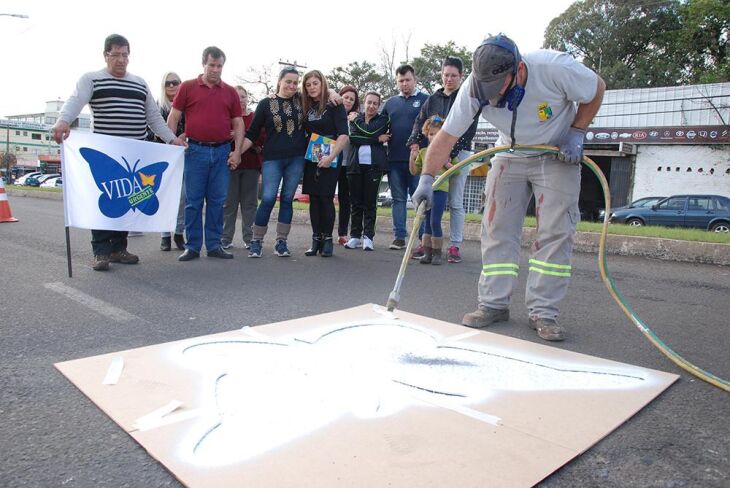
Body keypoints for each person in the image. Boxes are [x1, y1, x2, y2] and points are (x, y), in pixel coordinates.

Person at [412, 34, 605, 342]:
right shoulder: (474, 89)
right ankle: (493, 304)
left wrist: (577, 131)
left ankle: (544, 311)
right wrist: (426, 178)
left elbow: (597, 89)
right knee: (496, 227)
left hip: (556, 151)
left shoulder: (554, 68)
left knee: (555, 231)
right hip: (509, 153)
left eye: (499, 90)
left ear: (520, 71)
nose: (494, 100)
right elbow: (446, 137)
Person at [52, 34, 185, 272]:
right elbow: (75, 101)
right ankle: (101, 251)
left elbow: (154, 118)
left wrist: (172, 139)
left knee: (128, 200)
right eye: (116, 54)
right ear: (106, 55)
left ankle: (118, 248)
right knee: (106, 201)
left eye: (125, 54)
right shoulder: (91, 80)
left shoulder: (140, 83)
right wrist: (63, 122)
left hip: (135, 153)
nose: (121, 60)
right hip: (107, 153)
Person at [167, 46, 244, 262]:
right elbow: (174, 116)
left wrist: (236, 152)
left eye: (219, 66)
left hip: (221, 152)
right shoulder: (188, 87)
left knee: (218, 201)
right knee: (193, 201)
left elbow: (238, 123)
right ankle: (192, 246)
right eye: (212, 65)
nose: (215, 70)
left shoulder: (229, 92)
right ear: (204, 64)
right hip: (195, 151)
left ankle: (214, 245)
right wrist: (170, 142)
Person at [407, 56, 479, 264]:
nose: (449, 79)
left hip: (459, 153)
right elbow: (420, 122)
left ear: (461, 77)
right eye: (446, 75)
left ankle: (455, 245)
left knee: (455, 201)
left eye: (454, 76)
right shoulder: (433, 99)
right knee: (427, 199)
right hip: (435, 152)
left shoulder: (466, 97)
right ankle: (426, 243)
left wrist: (450, 151)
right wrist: (414, 142)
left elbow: (469, 128)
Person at [239, 67, 307, 258]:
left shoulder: (303, 102)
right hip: (272, 159)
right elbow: (252, 133)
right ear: (279, 81)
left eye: (295, 82)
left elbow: (323, 94)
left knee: (287, 199)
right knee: (268, 198)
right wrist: (237, 154)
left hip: (296, 158)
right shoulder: (265, 104)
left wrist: (334, 92)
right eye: (288, 82)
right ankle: (256, 241)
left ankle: (281, 242)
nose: (292, 86)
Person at [300, 71, 349, 257]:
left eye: (315, 83)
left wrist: (330, 158)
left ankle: (327, 239)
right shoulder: (305, 104)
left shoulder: (334, 104)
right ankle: (316, 239)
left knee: (326, 197)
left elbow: (343, 134)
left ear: (322, 84)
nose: (312, 87)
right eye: (308, 84)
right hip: (312, 152)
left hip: (331, 151)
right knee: (314, 198)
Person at [381, 64, 428, 250]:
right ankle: (399, 237)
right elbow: (380, 126)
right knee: (398, 200)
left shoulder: (426, 100)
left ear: (415, 79)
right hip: (394, 159)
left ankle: (424, 238)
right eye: (401, 81)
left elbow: (433, 127)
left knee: (419, 200)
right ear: (396, 82)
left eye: (408, 80)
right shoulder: (390, 103)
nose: (404, 84)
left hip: (419, 160)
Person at [410, 116, 459, 265]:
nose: (433, 137)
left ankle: (437, 252)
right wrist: (412, 158)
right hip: (426, 190)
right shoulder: (424, 152)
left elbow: (457, 171)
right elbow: (414, 171)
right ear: (427, 134)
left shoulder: (448, 151)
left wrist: (446, 163)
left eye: (437, 133)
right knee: (426, 221)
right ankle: (427, 252)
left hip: (440, 190)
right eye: (431, 134)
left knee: (435, 220)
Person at [345, 92, 391, 251]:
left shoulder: (382, 119)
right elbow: (353, 138)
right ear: (364, 103)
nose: (371, 106)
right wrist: (377, 139)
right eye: (369, 102)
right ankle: (355, 236)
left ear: (379, 106)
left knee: (370, 203)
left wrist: (359, 124)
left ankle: (368, 237)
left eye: (375, 104)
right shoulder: (354, 118)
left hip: (374, 167)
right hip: (354, 166)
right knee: (356, 203)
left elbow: (370, 131)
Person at [221, 86, 264, 250]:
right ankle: (226, 238)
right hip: (230, 166)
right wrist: (230, 135)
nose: (241, 100)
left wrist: (242, 135)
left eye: (244, 97)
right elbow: (218, 136)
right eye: (237, 97)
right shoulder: (226, 117)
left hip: (251, 165)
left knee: (250, 204)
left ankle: (249, 238)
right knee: (229, 203)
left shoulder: (254, 117)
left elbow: (261, 137)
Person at [154, 71, 186, 252]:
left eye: (175, 82)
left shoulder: (188, 106)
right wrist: (170, 138)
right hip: (163, 157)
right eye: (168, 83)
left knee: (182, 197)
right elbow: (152, 131)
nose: (172, 86)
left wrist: (185, 134)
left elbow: (196, 125)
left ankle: (179, 233)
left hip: (185, 156)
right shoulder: (158, 107)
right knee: (164, 195)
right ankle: (164, 235)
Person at [336, 85, 360, 245]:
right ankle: (323, 232)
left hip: (347, 163)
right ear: (340, 97)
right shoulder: (331, 113)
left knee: (345, 200)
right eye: (346, 97)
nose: (348, 101)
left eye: (352, 99)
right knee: (325, 197)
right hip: (330, 161)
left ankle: (342, 233)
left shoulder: (356, 118)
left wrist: (355, 121)